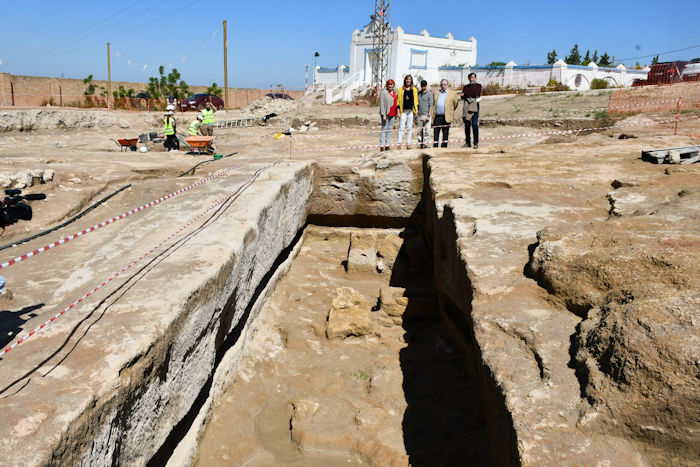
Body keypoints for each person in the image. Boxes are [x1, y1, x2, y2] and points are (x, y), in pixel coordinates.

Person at [432, 79, 459, 148]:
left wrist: (450, 111)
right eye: (442, 84)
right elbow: (433, 103)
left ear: (447, 85)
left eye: (445, 84)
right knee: (436, 132)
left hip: (446, 116)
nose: (443, 86)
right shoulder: (436, 93)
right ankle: (435, 146)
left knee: (445, 133)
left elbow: (455, 104)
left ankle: (444, 147)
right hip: (437, 116)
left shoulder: (452, 94)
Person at [396, 74, 418, 149]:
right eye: (407, 79)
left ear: (411, 80)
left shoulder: (414, 89)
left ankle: (408, 143)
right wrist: (398, 112)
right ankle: (399, 143)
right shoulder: (401, 89)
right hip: (403, 111)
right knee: (401, 127)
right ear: (405, 80)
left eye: (409, 79)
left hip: (411, 111)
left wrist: (416, 111)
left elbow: (416, 101)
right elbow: (398, 101)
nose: (408, 80)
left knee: (409, 128)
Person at [461, 73, 482, 149]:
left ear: (475, 78)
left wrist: (466, 94)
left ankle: (476, 143)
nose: (471, 79)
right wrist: (466, 95)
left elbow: (476, 94)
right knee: (467, 125)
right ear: (468, 79)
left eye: (473, 77)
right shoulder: (466, 87)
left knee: (474, 125)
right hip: (466, 107)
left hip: (474, 107)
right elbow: (462, 96)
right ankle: (467, 142)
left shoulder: (478, 86)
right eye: (470, 78)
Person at [379, 79, 398, 151]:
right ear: (387, 85)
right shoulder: (384, 92)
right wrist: (383, 114)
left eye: (392, 84)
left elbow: (396, 102)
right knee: (384, 128)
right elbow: (382, 104)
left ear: (393, 85)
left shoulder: (395, 92)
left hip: (393, 113)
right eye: (389, 84)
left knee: (389, 129)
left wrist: (397, 113)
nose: (390, 86)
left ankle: (387, 144)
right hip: (386, 113)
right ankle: (381, 145)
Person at [416, 80, 434, 149]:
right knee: (419, 132)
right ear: (421, 86)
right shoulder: (418, 94)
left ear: (426, 86)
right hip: (419, 116)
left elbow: (431, 106)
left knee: (427, 131)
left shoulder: (429, 94)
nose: (423, 87)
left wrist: (429, 116)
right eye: (422, 85)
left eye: (424, 85)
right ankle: (420, 144)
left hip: (427, 115)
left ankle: (426, 144)